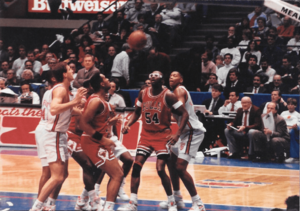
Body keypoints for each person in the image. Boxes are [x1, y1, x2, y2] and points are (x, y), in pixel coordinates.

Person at [118, 71, 189, 211]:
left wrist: (177, 133)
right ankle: (133, 203)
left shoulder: (168, 95)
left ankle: (172, 202)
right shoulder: (143, 93)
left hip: (162, 135)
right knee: (136, 166)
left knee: (160, 169)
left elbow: (184, 113)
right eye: (151, 76)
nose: (152, 77)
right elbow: (137, 111)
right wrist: (128, 125)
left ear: (162, 81)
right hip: (146, 135)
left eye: (156, 76)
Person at [30, 62, 87, 211]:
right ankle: (38, 207)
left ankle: (48, 205)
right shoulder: (61, 89)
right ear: (63, 74)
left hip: (54, 132)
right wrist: (75, 101)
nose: (72, 70)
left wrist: (84, 111)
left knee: (61, 174)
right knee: (56, 175)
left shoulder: (61, 90)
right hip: (52, 132)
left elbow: (66, 111)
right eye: (69, 69)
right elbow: (54, 109)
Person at [158, 71, 206, 211]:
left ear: (181, 79)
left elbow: (182, 112)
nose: (171, 76)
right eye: (170, 75)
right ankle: (177, 196)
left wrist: (177, 134)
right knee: (171, 161)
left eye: (175, 75)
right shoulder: (174, 93)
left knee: (180, 167)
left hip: (192, 132)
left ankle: (198, 203)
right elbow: (176, 116)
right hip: (185, 131)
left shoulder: (179, 90)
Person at [80, 73, 125, 211]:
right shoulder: (96, 101)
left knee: (106, 173)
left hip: (98, 142)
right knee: (117, 174)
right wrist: (103, 139)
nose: (108, 80)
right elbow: (83, 124)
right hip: (93, 142)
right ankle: (107, 208)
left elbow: (95, 122)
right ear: (100, 84)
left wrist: (108, 123)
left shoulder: (101, 100)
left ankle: (83, 201)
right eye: (105, 78)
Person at [281, 98, 300, 163]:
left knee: (292, 132)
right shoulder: (283, 113)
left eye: (292, 104)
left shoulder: (298, 115)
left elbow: (298, 125)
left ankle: (294, 157)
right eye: (288, 104)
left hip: (293, 131)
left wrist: (294, 127)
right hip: (283, 130)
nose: (290, 106)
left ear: (295, 106)